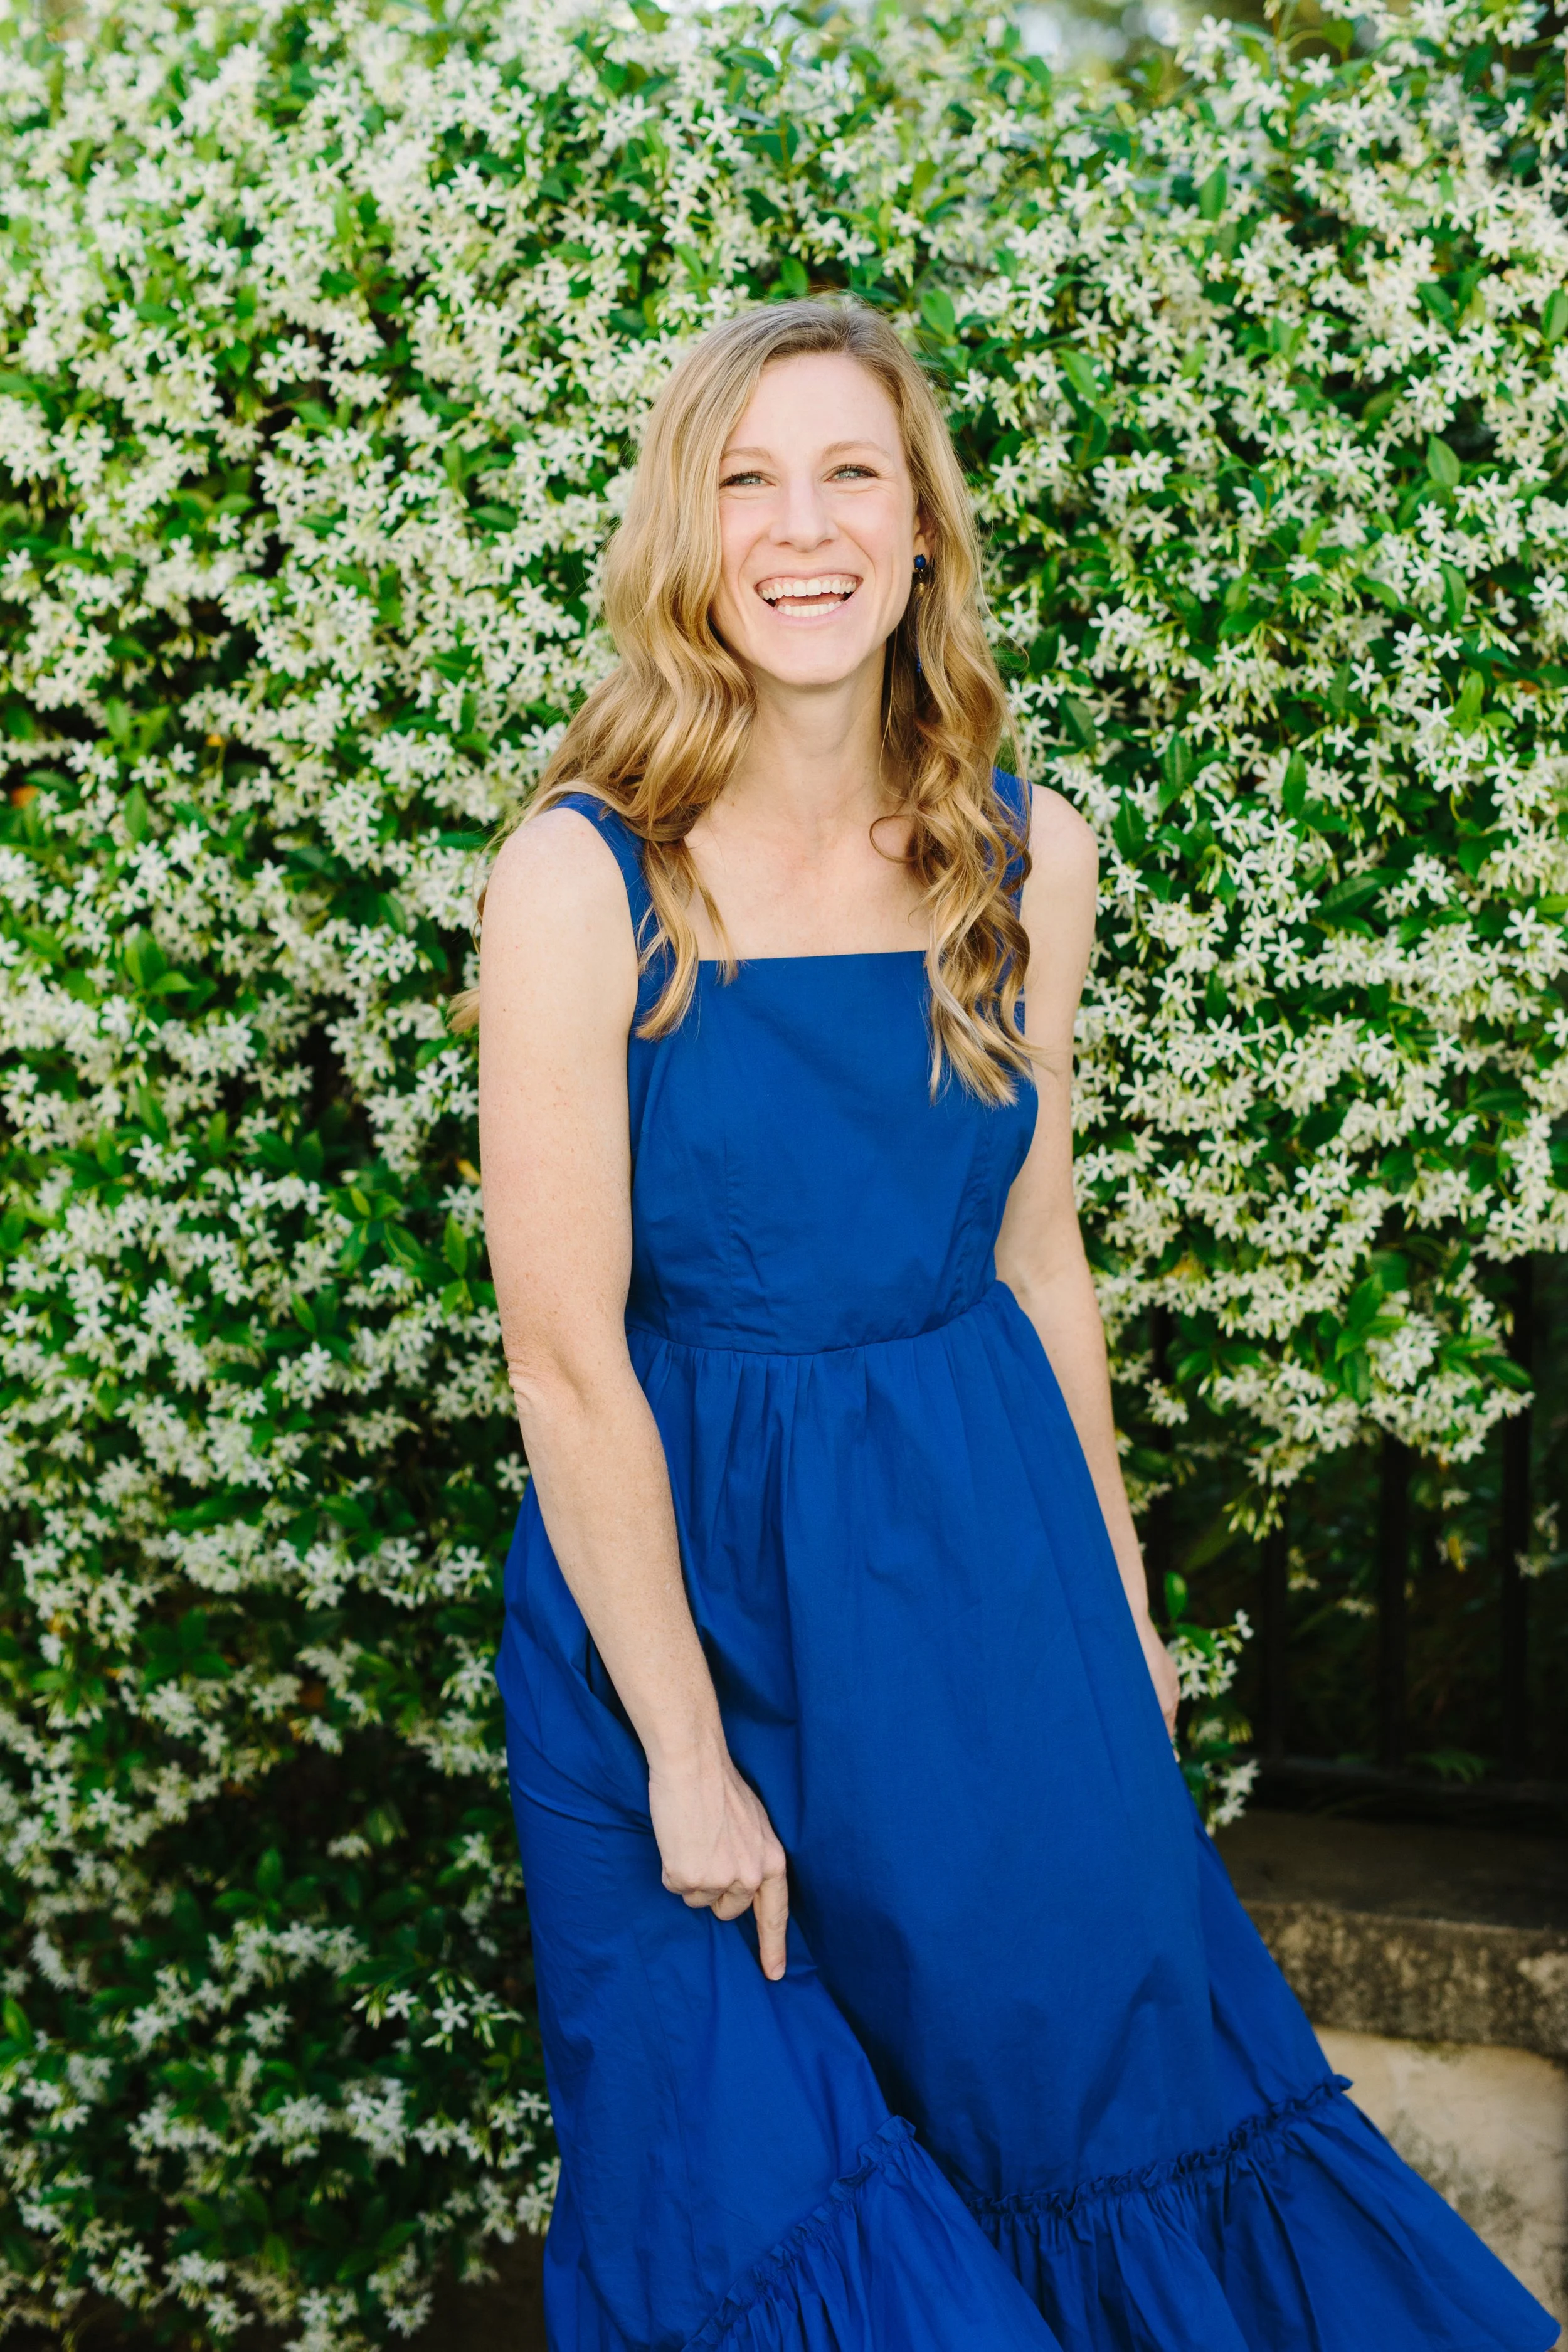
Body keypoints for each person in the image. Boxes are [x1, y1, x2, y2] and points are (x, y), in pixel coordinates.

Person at [470, 299, 1556, 2352]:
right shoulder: (580, 875)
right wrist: (684, 1754)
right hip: (678, 1610)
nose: (802, 528)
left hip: (982, 1584)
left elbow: (1035, 1251)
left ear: (919, 531)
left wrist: (1117, 1609)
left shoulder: (1022, 853)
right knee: (742, 2177)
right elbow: (564, 1355)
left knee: (1082, 2101)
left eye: (849, 475)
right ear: (686, 533)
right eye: (747, 480)